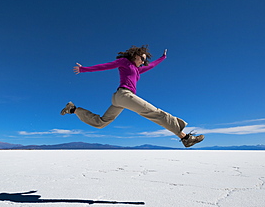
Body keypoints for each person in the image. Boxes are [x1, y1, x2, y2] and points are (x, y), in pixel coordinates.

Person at [61, 45, 204, 148]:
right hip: (124, 95)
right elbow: (106, 66)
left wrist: (163, 57)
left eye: (144, 60)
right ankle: (185, 138)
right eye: (141, 58)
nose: (143, 61)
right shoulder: (124, 62)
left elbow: (152, 65)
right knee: (154, 113)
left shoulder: (137, 70)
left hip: (120, 99)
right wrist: (83, 69)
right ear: (135, 55)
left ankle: (73, 109)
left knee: (101, 122)